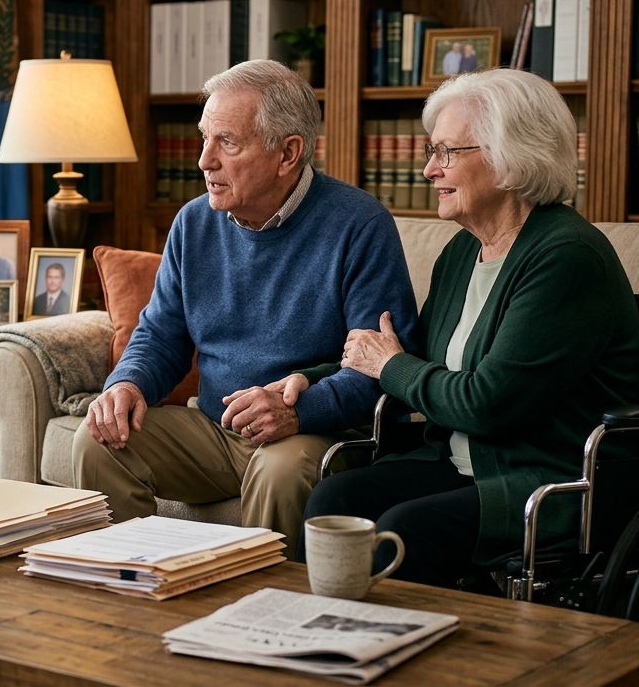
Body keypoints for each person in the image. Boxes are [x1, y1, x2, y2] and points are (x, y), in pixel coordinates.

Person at [298, 69, 639, 588]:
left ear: (511, 155)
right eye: (430, 152)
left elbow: (485, 403)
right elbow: (408, 351)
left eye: (446, 152)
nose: (429, 170)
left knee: (404, 529)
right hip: (461, 464)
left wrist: (389, 364)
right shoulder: (464, 250)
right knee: (335, 499)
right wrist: (311, 378)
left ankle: (398, 659)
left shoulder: (566, 257)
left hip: (543, 479)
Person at [72, 59, 419, 556]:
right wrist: (127, 383)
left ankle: (259, 616)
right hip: (215, 429)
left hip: (310, 432)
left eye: (227, 143)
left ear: (288, 153)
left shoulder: (360, 226)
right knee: (97, 440)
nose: (204, 161)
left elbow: (380, 367)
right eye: (204, 138)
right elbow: (161, 335)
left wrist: (301, 411)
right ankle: (131, 592)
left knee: (281, 470)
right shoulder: (193, 224)